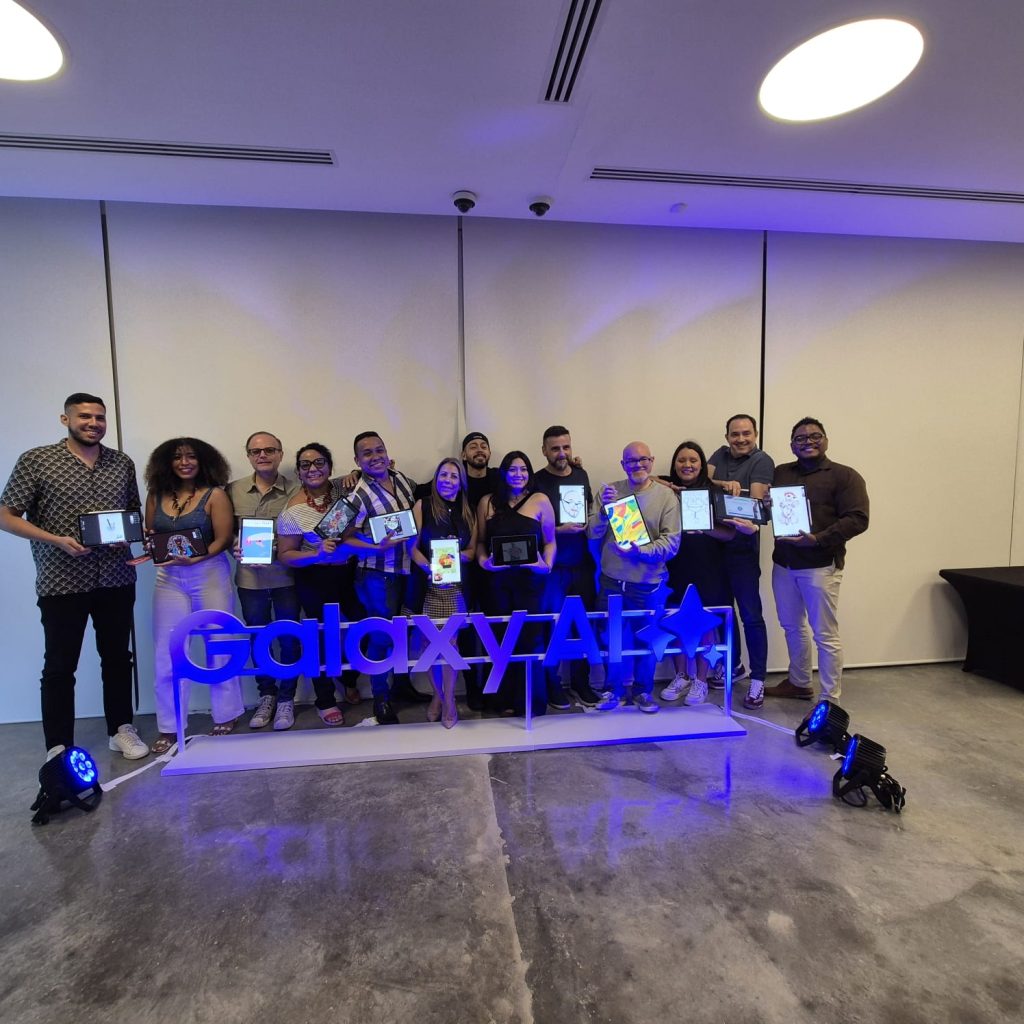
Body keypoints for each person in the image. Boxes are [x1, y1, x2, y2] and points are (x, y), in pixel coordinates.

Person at [0, 393, 149, 760]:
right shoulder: (37, 460)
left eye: (99, 417)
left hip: (116, 577)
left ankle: (121, 729)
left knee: (118, 658)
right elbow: (6, 515)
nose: (93, 423)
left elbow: (132, 513)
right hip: (61, 580)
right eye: (84, 416)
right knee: (59, 665)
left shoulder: (121, 462)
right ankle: (59, 746)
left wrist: (127, 536)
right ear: (65, 419)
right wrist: (55, 540)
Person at [145, 437, 244, 754]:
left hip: (209, 573)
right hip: (169, 578)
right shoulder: (155, 495)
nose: (184, 462)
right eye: (177, 457)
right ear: (167, 462)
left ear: (203, 461)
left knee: (219, 643)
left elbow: (224, 538)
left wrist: (198, 558)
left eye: (191, 457)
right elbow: (151, 534)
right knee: (167, 651)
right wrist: (150, 545)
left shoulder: (215, 494)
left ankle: (227, 714)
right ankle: (169, 726)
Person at [765, 418, 869, 703]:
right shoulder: (781, 473)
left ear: (826, 440)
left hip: (821, 565)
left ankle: (829, 699)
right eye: (800, 438)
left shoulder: (845, 476)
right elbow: (774, 511)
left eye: (815, 436)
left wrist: (819, 538)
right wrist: (767, 507)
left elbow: (858, 519)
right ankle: (799, 682)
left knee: (825, 634)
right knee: (791, 626)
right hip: (784, 563)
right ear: (792, 445)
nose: (808, 442)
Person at [276, 442, 364, 728]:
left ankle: (348, 678)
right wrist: (316, 555)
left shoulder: (343, 492)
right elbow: (286, 555)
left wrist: (356, 473)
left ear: (329, 466)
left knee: (364, 628)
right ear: (298, 472)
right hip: (313, 579)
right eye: (305, 465)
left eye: (319, 463)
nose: (312, 469)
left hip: (349, 575)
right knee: (319, 639)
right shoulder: (292, 511)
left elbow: (365, 475)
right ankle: (324, 700)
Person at [589, 441, 681, 714]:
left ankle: (643, 691)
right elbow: (591, 532)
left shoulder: (666, 497)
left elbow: (672, 543)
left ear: (651, 461)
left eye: (643, 460)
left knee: (647, 641)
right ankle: (612, 691)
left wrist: (640, 552)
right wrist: (604, 512)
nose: (637, 465)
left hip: (648, 584)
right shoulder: (609, 492)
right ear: (623, 464)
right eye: (631, 461)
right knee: (611, 640)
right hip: (611, 581)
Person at [656, 441, 747, 707]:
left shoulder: (715, 492)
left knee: (705, 627)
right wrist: (670, 487)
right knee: (676, 623)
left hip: (709, 567)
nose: (687, 465)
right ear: (674, 464)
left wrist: (705, 527)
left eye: (693, 460)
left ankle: (701, 680)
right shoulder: (666, 491)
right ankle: (681, 676)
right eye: (681, 460)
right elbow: (646, 477)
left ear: (702, 464)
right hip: (675, 567)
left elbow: (730, 533)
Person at [342, 432, 420, 724]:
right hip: (376, 575)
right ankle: (380, 698)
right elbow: (345, 537)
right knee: (381, 635)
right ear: (357, 460)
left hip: (406, 570)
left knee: (404, 632)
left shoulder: (401, 479)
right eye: (367, 453)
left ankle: (401, 686)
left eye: (379, 450)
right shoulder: (357, 494)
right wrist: (376, 547)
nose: (375, 457)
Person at [227, 431, 302, 730]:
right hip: (249, 581)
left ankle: (286, 699)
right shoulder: (233, 490)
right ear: (248, 455)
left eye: (270, 450)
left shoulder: (297, 489)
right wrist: (233, 545)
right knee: (259, 639)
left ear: (280, 454)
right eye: (256, 451)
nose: (263, 455)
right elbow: (224, 530)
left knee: (288, 638)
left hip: (286, 578)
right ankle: (266, 696)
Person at [476, 451, 555, 716]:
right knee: (499, 640)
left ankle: (530, 702)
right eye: (512, 469)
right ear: (503, 473)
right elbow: (480, 542)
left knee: (529, 641)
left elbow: (550, 541)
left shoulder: (540, 500)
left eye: (523, 469)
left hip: (531, 583)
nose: (518, 474)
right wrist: (483, 562)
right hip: (497, 584)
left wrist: (546, 565)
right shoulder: (487, 502)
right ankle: (503, 701)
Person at [529, 425, 601, 709]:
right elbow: (530, 526)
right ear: (544, 451)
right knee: (552, 628)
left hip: (582, 564)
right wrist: (559, 530)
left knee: (583, 626)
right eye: (555, 448)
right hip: (552, 569)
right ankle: (553, 685)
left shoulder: (581, 474)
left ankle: (582, 683)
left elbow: (589, 512)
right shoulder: (535, 481)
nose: (562, 453)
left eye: (566, 447)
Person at [707, 413, 774, 709]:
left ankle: (758, 679)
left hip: (743, 551)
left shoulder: (762, 460)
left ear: (755, 435)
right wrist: (724, 483)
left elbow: (755, 503)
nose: (741, 439)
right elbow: (702, 480)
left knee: (751, 616)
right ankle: (733, 666)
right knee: (725, 613)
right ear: (727, 437)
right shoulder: (719, 455)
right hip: (715, 549)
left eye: (746, 433)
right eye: (735, 434)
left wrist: (722, 492)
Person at [410, 458, 477, 728]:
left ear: (461, 482)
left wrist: (451, 558)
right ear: (436, 478)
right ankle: (437, 695)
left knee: (449, 645)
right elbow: (412, 548)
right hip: (427, 586)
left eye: (453, 476)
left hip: (455, 589)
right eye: (443, 475)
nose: (448, 480)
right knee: (428, 646)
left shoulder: (469, 511)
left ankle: (448, 700)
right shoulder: (422, 505)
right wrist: (431, 568)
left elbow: (472, 551)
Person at [461, 431, 501, 512]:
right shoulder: (456, 480)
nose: (479, 450)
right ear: (463, 455)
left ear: (489, 454)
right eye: (473, 447)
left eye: (484, 447)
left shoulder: (499, 477)